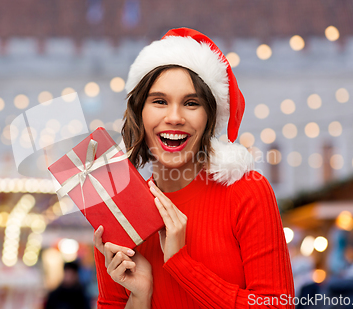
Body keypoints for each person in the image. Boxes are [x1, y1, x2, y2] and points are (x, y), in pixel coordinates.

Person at [93, 28, 295, 308]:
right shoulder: (118, 211)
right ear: (140, 112)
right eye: (159, 101)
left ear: (209, 117)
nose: (174, 117)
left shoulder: (248, 192)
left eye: (191, 103)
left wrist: (182, 265)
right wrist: (140, 295)